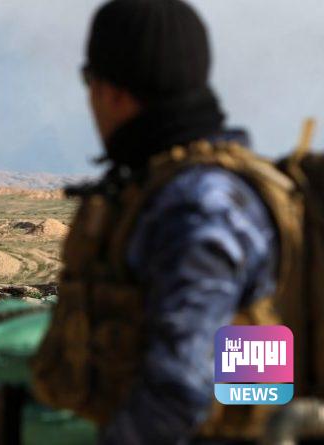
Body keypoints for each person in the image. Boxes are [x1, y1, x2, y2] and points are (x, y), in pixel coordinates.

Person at [31, 0, 294, 443]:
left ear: (113, 93)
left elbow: (180, 391)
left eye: (89, 81)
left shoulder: (197, 205)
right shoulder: (168, 188)